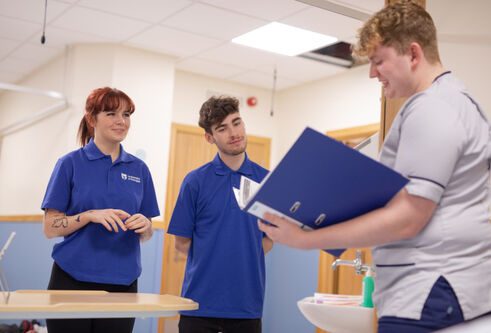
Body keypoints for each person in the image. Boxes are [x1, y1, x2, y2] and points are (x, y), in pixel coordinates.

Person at [258, 1, 491, 332]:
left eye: (379, 61)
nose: (371, 73)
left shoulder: (433, 108)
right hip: (438, 291)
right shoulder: (453, 102)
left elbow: (408, 218)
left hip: (429, 291)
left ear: (413, 54)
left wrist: (303, 240)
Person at [41, 87, 160, 333]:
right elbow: (50, 228)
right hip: (72, 280)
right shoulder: (70, 164)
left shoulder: (140, 169)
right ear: (91, 119)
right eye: (111, 113)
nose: (121, 121)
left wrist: (146, 226)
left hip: (123, 283)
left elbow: (148, 232)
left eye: (126, 115)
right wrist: (89, 216)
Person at [167, 96, 274, 333]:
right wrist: (216, 261)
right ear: (209, 137)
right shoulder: (195, 182)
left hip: (247, 308)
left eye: (237, 123)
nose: (234, 133)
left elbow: (268, 240)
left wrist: (241, 258)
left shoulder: (266, 181)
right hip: (199, 307)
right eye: (222, 128)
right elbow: (181, 242)